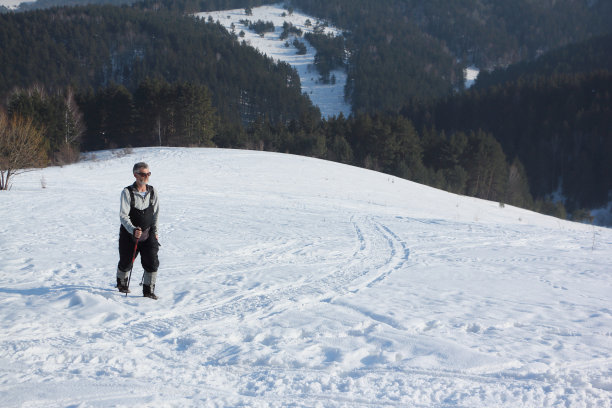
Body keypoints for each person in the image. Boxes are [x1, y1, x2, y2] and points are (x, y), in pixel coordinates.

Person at [116, 162, 160, 299]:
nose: (146, 177)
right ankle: (122, 282)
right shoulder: (127, 192)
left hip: (148, 233)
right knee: (126, 261)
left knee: (152, 262)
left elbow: (156, 214)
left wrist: (156, 232)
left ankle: (149, 290)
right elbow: (123, 215)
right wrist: (132, 229)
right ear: (135, 175)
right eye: (142, 174)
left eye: (148, 174)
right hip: (129, 235)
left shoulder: (152, 191)